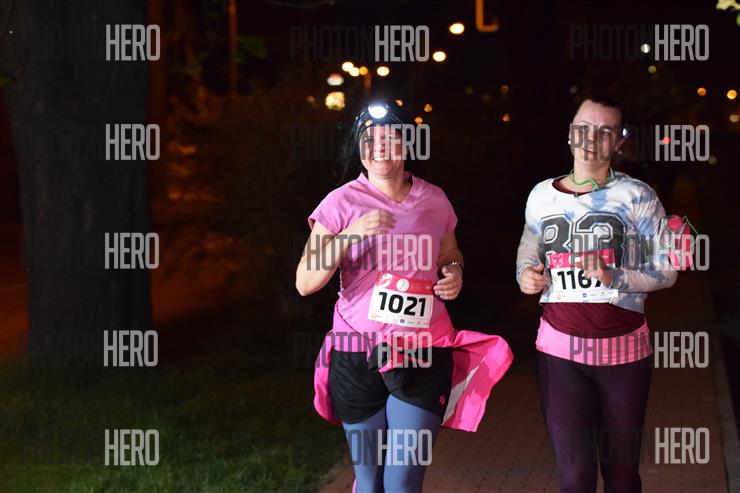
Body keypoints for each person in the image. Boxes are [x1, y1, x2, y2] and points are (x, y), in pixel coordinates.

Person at [297, 100, 513, 493]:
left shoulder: (434, 199)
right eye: (370, 140)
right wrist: (348, 236)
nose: (379, 147)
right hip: (357, 353)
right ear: (359, 149)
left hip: (423, 352)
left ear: (407, 144)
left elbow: (450, 252)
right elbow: (305, 282)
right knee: (370, 482)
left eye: (390, 138)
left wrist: (454, 271)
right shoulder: (340, 202)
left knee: (403, 481)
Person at [516, 97, 679, 493]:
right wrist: (526, 276)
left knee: (622, 477)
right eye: (585, 128)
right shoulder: (541, 195)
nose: (592, 138)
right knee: (575, 477)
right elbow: (528, 251)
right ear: (570, 133)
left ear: (618, 143)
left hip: (624, 355)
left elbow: (667, 270)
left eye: (605, 132)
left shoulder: (638, 196)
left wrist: (615, 276)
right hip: (560, 352)